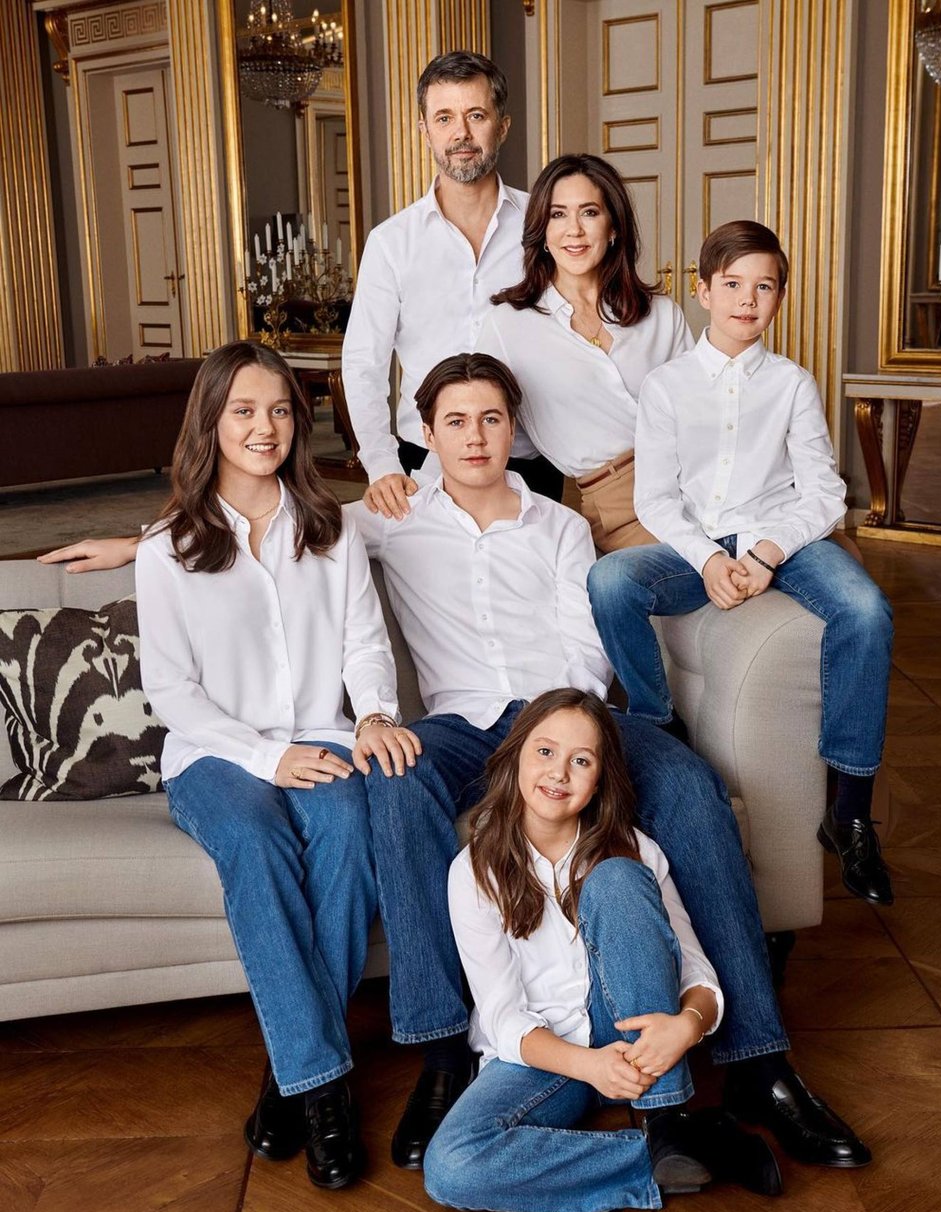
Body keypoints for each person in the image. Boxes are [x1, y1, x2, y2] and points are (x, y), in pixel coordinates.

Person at [349, 351, 873, 1177]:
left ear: (514, 430)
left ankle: (759, 1065)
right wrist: (145, 539)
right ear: (426, 434)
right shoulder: (387, 516)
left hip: (560, 714)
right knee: (392, 781)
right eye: (455, 420)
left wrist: (567, 740)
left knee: (694, 791)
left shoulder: (559, 525)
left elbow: (586, 649)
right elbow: (277, 527)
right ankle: (444, 1055)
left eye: (491, 418)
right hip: (454, 726)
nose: (475, 436)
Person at [134, 339, 421, 1191]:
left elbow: (366, 644)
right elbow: (172, 693)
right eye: (245, 411)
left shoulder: (332, 531)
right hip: (215, 757)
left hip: (322, 736)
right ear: (211, 424)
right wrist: (268, 756)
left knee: (344, 830)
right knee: (257, 844)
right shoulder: (166, 548)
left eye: (282, 410)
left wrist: (370, 715)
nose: (266, 428)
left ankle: (291, 1077)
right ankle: (328, 1090)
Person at [586, 220, 895, 907]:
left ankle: (847, 810)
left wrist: (765, 554)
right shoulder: (666, 387)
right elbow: (656, 498)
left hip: (784, 540)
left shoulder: (790, 384)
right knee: (609, 581)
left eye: (765, 287)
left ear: (780, 298)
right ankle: (659, 725)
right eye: (732, 285)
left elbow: (825, 494)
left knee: (868, 610)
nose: (747, 300)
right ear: (702, 291)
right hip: (696, 545)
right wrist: (704, 561)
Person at [423, 688, 782, 1212]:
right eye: (545, 752)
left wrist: (686, 1026)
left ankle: (666, 1115)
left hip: (636, 1044)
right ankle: (688, 1150)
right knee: (452, 1165)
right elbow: (502, 1018)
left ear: (598, 780)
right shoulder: (473, 869)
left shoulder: (636, 850)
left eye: (581, 760)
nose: (559, 773)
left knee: (615, 878)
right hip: (545, 1057)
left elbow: (697, 973)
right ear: (516, 756)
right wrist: (588, 1067)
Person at [343, 50, 563, 510]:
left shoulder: (546, 226)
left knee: (530, 583)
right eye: (443, 118)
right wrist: (382, 463)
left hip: (530, 458)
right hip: (421, 460)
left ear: (502, 125)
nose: (460, 133)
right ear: (424, 131)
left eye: (475, 115)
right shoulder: (391, 243)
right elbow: (364, 363)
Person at [480, 152, 693, 551]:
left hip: (698, 481)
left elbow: (703, 413)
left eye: (589, 212)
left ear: (613, 227)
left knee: (832, 548)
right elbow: (479, 420)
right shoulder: (508, 325)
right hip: (616, 506)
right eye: (558, 215)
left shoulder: (662, 315)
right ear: (541, 231)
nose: (573, 230)